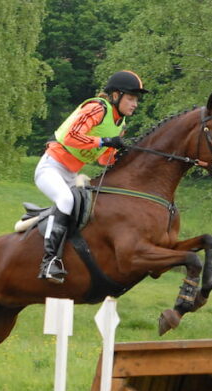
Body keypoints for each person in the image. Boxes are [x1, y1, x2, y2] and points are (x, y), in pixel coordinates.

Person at [35, 70, 149, 283]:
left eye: (137, 100)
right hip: (50, 167)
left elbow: (103, 160)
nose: (135, 104)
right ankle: (49, 261)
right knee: (66, 200)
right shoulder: (96, 108)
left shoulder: (119, 125)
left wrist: (118, 152)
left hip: (71, 174)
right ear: (116, 96)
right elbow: (71, 137)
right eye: (131, 98)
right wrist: (105, 142)